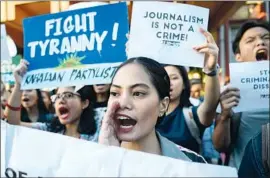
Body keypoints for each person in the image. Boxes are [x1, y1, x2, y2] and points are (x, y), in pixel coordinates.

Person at [98, 57, 206, 162]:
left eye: (137, 93)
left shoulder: (191, 163)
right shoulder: (92, 163)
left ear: (163, 105)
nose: (123, 103)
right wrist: (108, 160)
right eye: (115, 93)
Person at [212, 20, 270, 169]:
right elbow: (220, 146)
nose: (260, 43)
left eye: (266, 38)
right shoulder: (230, 92)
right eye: (250, 40)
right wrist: (225, 115)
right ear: (238, 56)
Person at [156, 28, 220, 153]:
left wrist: (211, 70)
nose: (170, 82)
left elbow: (210, 104)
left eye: (174, 78)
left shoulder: (191, 116)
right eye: (165, 78)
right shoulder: (147, 115)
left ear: (185, 84)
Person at [5, 60, 98, 141]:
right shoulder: (50, 131)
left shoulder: (98, 132)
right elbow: (13, 122)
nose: (61, 100)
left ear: (84, 103)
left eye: (68, 95)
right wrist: (19, 85)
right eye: (57, 97)